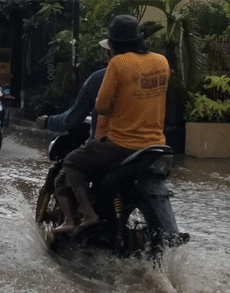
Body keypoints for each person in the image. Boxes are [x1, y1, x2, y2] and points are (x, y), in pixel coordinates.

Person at [60, 14, 170, 235]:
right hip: (156, 144)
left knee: (72, 162)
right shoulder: (162, 61)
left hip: (121, 144)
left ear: (112, 43)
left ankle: (88, 215)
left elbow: (101, 105)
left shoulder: (118, 63)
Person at [36, 39, 112, 234]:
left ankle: (76, 218)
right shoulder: (151, 74)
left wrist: (49, 121)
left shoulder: (100, 78)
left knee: (68, 169)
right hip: (149, 145)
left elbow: (73, 117)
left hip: (111, 146)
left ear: (111, 53)